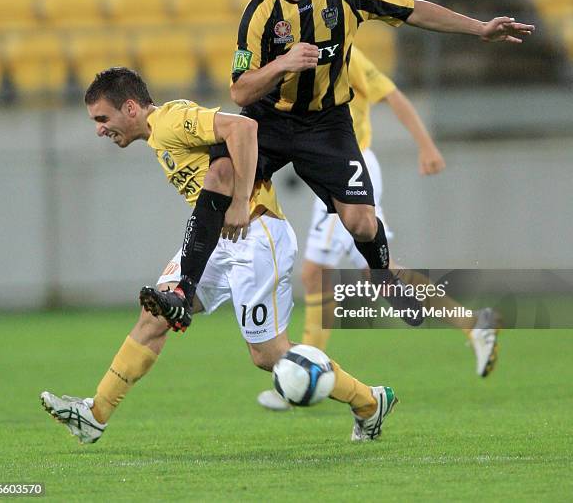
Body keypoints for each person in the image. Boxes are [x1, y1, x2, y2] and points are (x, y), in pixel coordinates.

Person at [40, 67, 398, 444]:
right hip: (218, 239)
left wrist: (242, 200)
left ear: (130, 108)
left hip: (257, 234)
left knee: (267, 354)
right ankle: (94, 415)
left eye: (102, 118)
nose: (99, 129)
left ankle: (370, 402)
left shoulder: (170, 120)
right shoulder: (157, 137)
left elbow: (242, 129)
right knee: (155, 314)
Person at [229, 0, 534, 324]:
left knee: (363, 224)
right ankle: (183, 284)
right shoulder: (259, 12)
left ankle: (384, 278)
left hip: (327, 123)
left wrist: (479, 28)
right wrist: (281, 66)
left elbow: (413, 9)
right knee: (222, 185)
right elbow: (240, 90)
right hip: (269, 120)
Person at [257, 48, 499, 411]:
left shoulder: (342, 55)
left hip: (349, 168)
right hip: (339, 167)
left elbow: (392, 95)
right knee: (377, 271)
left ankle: (299, 375)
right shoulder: (299, 57)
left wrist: (426, 145)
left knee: (314, 273)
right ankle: (472, 323)